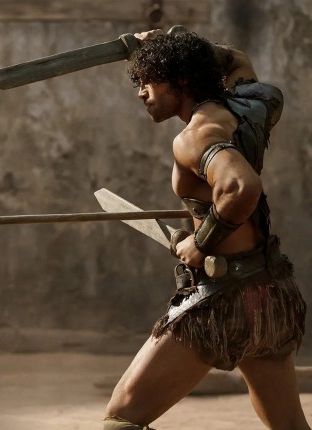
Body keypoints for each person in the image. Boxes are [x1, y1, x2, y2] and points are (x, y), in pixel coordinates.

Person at [103, 30, 309, 429]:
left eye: (148, 82)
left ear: (180, 80)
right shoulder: (252, 105)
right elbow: (236, 59)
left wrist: (200, 243)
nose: (141, 93)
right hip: (270, 293)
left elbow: (240, 187)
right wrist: (176, 43)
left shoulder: (195, 137)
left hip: (225, 301)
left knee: (121, 418)